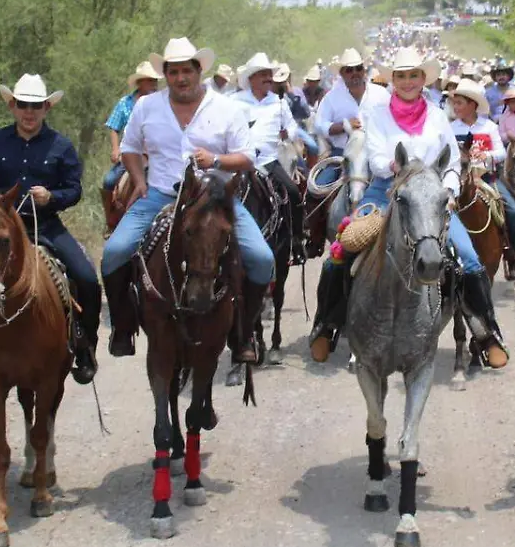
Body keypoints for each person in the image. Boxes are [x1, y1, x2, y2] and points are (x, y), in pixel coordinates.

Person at [308, 47, 510, 368]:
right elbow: (373, 157)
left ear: (422, 79)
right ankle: (327, 324)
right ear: (393, 80)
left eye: (412, 75)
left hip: (431, 196)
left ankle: (485, 332)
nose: (406, 82)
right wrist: (391, 165)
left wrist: (450, 190)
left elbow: (453, 162)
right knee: (342, 248)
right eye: (400, 76)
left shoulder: (437, 116)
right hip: (384, 191)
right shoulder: (377, 115)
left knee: (469, 259)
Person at [101, 37, 273, 363]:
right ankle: (123, 327)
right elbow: (129, 149)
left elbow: (247, 157)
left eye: (187, 71)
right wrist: (138, 180)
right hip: (161, 195)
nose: (181, 78)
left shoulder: (226, 108)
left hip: (215, 199)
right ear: (166, 74)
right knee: (114, 252)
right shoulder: (145, 106)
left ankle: (243, 332)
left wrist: (216, 160)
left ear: (199, 71)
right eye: (174, 72)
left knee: (262, 259)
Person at [0, 74, 100, 384]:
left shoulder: (61, 145)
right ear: (12, 106)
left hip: (45, 226)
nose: (29, 112)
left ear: (46, 108)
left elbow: (75, 189)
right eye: (23, 105)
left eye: (36, 106)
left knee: (88, 279)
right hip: (0, 233)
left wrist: (52, 197)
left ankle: (84, 346)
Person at [232, 53, 306, 263]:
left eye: (268, 74)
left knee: (293, 192)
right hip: (239, 162)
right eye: (263, 74)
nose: (267, 78)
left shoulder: (279, 103)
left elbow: (292, 127)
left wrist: (288, 134)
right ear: (251, 78)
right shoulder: (235, 102)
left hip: (268, 161)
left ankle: (296, 240)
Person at [451, 82, 515, 281]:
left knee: (514, 212)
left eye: (459, 103)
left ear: (472, 104)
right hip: (458, 179)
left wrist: (485, 155)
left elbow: (501, 153)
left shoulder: (489, 127)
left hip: (486, 179)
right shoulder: (450, 128)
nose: (455, 107)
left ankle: (513, 256)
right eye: (455, 103)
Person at [312, 47, 390, 185]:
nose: (355, 73)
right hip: (341, 153)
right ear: (342, 73)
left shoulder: (381, 94)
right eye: (349, 70)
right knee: (319, 186)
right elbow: (319, 124)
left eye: (358, 68)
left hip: (375, 153)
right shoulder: (331, 98)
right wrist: (343, 126)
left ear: (364, 70)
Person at [101, 61, 161, 230]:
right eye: (150, 80)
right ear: (140, 82)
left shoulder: (161, 103)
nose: (154, 84)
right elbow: (114, 126)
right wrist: (115, 149)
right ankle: (110, 221)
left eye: (155, 81)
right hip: (131, 152)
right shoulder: (125, 103)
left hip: (154, 153)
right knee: (109, 180)